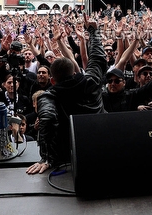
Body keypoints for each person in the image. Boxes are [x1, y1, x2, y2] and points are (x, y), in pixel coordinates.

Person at [30, 13, 108, 174]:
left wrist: (47, 157)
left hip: (70, 155)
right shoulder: (91, 81)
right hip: (102, 144)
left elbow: (48, 119)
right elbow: (98, 57)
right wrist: (93, 31)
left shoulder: (49, 96)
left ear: (52, 80)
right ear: (74, 72)